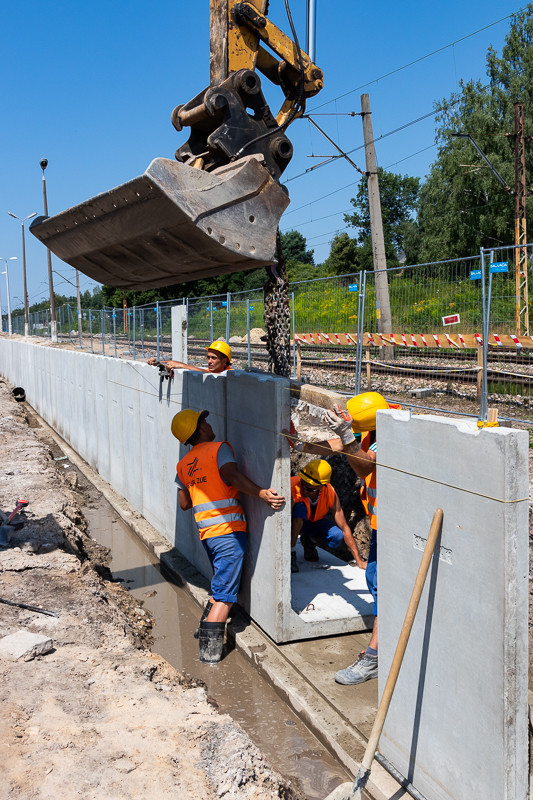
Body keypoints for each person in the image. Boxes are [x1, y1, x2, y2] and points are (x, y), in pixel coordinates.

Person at [285, 392, 391, 685]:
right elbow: (334, 446)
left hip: (393, 524)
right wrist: (299, 444)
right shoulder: (372, 429)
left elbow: (366, 466)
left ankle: (374, 657)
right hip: (380, 523)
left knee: (379, 582)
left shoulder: (391, 435)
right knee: (375, 578)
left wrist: (347, 434)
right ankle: (379, 650)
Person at [172, 408, 285, 663]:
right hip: (228, 534)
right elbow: (231, 476)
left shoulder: (183, 464)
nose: (210, 425)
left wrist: (198, 484)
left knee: (220, 585)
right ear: (200, 429)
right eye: (205, 422)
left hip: (208, 535)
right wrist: (262, 493)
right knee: (225, 595)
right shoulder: (218, 448)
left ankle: (204, 630)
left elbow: (184, 503)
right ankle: (209, 655)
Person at [290, 459, 367, 573]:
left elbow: (344, 527)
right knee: (300, 508)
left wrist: (359, 560)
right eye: (303, 484)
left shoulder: (329, 492)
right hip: (291, 523)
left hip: (312, 524)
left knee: (336, 536)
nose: (304, 490)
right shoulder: (291, 485)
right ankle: (291, 553)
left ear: (321, 486)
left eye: (310, 489)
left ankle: (309, 541)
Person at [148, 340, 232, 374]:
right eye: (208, 357)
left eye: (213, 358)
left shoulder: (230, 374)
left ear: (224, 361)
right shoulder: (209, 370)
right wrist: (158, 362)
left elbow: (210, 375)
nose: (209, 361)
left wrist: (183, 366)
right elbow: (200, 370)